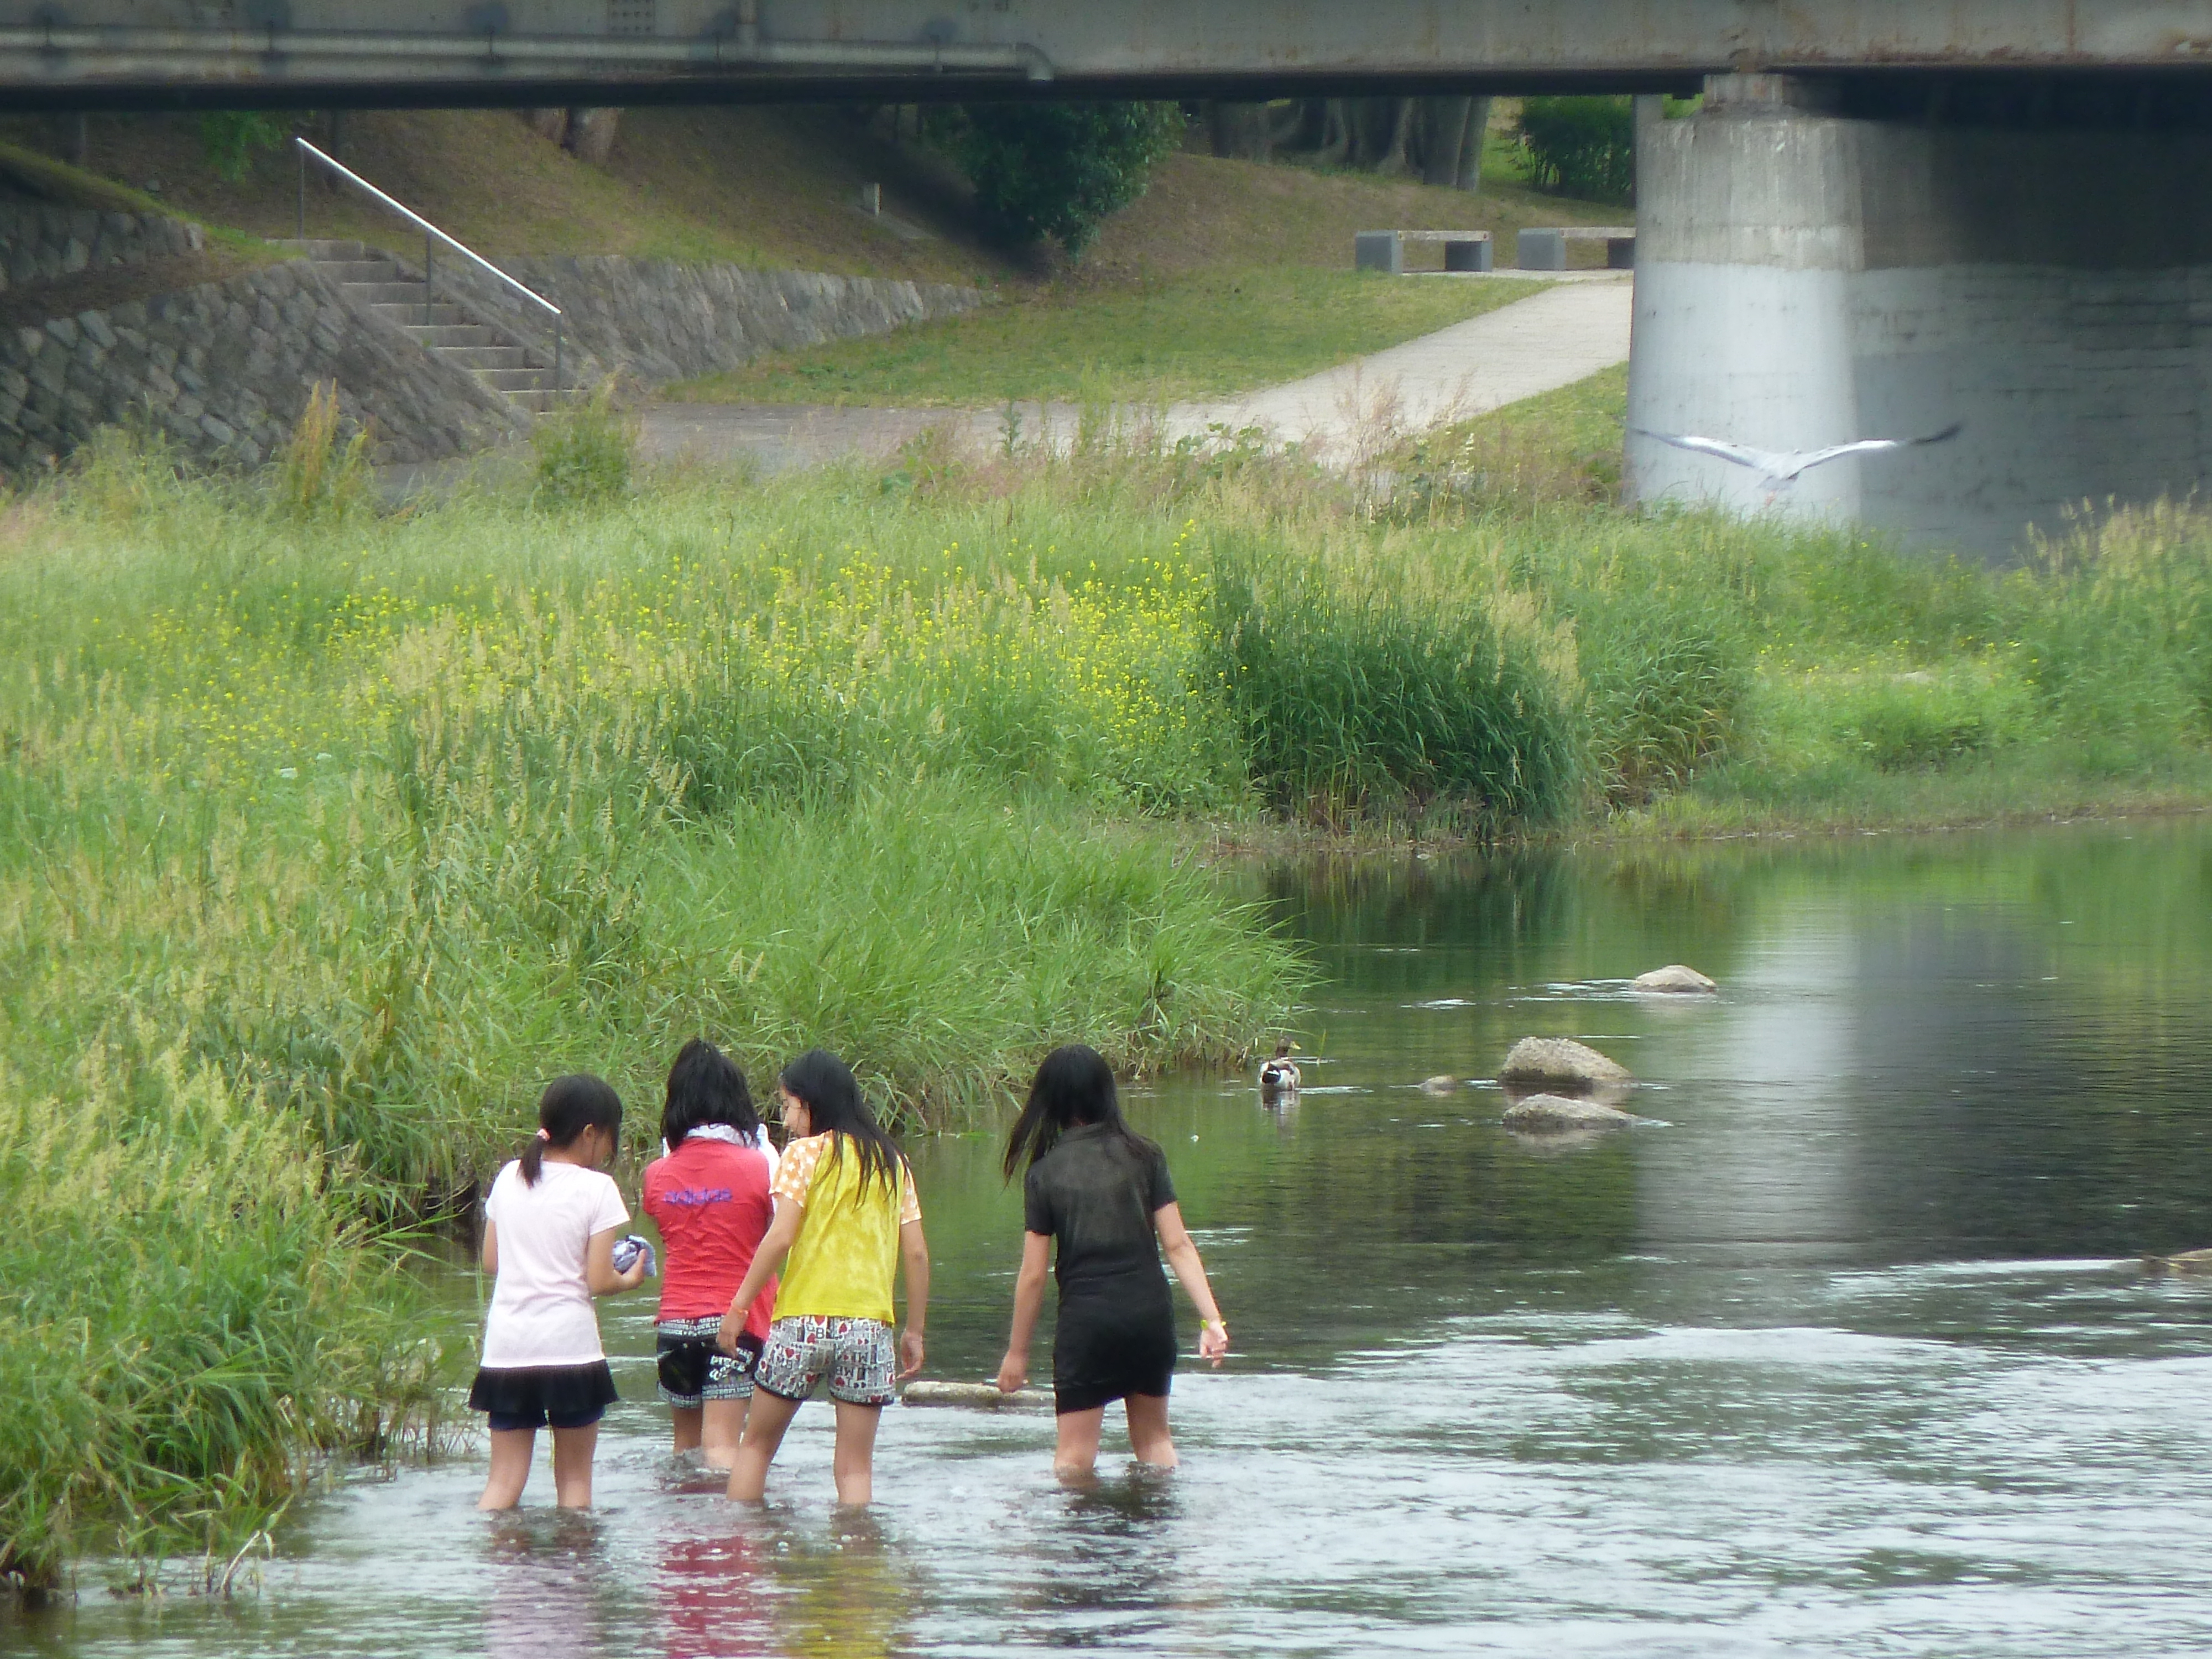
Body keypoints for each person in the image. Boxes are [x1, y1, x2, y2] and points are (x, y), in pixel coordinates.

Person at [995, 1044, 1229, 1478]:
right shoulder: (1146, 1156)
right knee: (1155, 1443)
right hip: (1149, 1318)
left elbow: (1033, 1276)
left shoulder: (1045, 1174)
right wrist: (1211, 1320)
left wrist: (1017, 1353)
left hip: (1088, 1325)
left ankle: (1083, 1542)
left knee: (1074, 1459)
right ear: (1106, 1093)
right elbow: (1178, 1246)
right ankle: (1161, 1537)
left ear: (1049, 1101)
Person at [718, 1049, 929, 1506]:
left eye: (789, 1107)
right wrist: (914, 1329)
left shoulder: (803, 1155)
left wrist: (738, 1309)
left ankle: (737, 1554)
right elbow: (915, 1251)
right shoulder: (892, 1162)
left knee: (755, 1448)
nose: (787, 1121)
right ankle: (856, 1564)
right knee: (855, 1467)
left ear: (810, 1104)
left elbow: (779, 1239)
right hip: (870, 1327)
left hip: (802, 1323)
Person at [469, 1074, 648, 1510]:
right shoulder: (597, 1189)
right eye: (609, 1140)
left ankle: (494, 1574)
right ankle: (575, 1575)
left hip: (508, 1351)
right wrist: (633, 1277)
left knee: (502, 1486)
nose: (608, 1152)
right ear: (590, 1132)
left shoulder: (510, 1176)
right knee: (574, 1487)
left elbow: (492, 1262)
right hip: (570, 1351)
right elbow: (600, 1281)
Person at [641, 1039, 779, 1470]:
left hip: (675, 1325)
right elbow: (780, 1235)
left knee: (685, 1447)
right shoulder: (761, 1166)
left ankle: (683, 1533)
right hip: (736, 1325)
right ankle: (728, 1535)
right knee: (722, 1445)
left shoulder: (655, 1175)